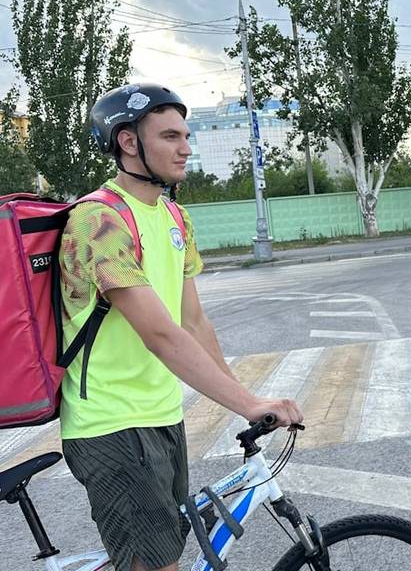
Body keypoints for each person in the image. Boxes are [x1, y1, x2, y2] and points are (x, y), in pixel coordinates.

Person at [59, 83, 304, 571]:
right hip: (111, 423)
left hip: (162, 415)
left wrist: (246, 401)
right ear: (129, 142)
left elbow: (192, 321)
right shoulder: (99, 221)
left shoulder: (175, 216)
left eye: (186, 135)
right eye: (170, 136)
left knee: (161, 551)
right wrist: (249, 402)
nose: (186, 147)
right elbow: (161, 334)